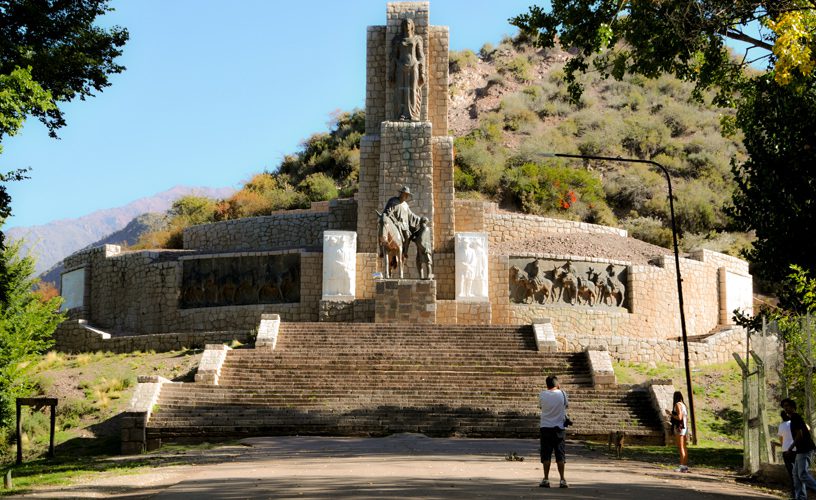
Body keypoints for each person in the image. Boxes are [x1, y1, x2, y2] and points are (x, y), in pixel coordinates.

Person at [390, 18, 425, 121]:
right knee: (401, 91)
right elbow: (393, 57)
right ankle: (401, 114)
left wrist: (422, 72)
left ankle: (413, 114)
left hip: (413, 66)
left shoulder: (417, 39)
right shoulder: (398, 40)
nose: (406, 25)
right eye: (405, 23)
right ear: (402, 26)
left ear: (412, 25)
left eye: (408, 23)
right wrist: (392, 72)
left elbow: (421, 56)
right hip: (400, 67)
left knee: (413, 90)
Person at [781, 398, 816, 500]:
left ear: (793, 407)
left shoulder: (796, 417)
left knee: (802, 474)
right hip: (800, 450)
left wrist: (790, 448)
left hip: (805, 449)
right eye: (784, 406)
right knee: (796, 475)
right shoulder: (793, 419)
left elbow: (799, 434)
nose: (786, 408)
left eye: (788, 406)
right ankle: (800, 497)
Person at [538, 375, 568, 488]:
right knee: (560, 454)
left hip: (545, 427)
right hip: (559, 428)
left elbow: (541, 407)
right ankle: (562, 479)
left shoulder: (542, 394)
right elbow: (566, 406)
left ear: (547, 385)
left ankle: (546, 479)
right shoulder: (563, 394)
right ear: (557, 384)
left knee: (546, 454)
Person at [383, 186, 421, 258]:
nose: (406, 196)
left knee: (407, 235)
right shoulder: (393, 201)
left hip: (404, 225)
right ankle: (383, 249)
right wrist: (395, 221)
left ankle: (404, 252)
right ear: (401, 193)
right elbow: (388, 212)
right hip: (393, 223)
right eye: (405, 194)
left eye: (407, 195)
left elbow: (410, 214)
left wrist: (418, 218)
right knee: (383, 232)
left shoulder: (405, 205)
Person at [772, 410, 796, 499]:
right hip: (796, 449)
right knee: (798, 473)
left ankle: (794, 494)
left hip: (786, 450)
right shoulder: (794, 422)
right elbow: (807, 428)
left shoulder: (781, 425)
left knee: (791, 473)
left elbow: (781, 439)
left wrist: (784, 446)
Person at [666, 390, 689, 472]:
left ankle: (682, 466)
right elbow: (686, 418)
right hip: (685, 427)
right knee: (684, 447)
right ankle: (685, 466)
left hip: (679, 428)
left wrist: (670, 414)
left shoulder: (677, 405)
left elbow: (679, 417)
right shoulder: (683, 405)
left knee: (681, 447)